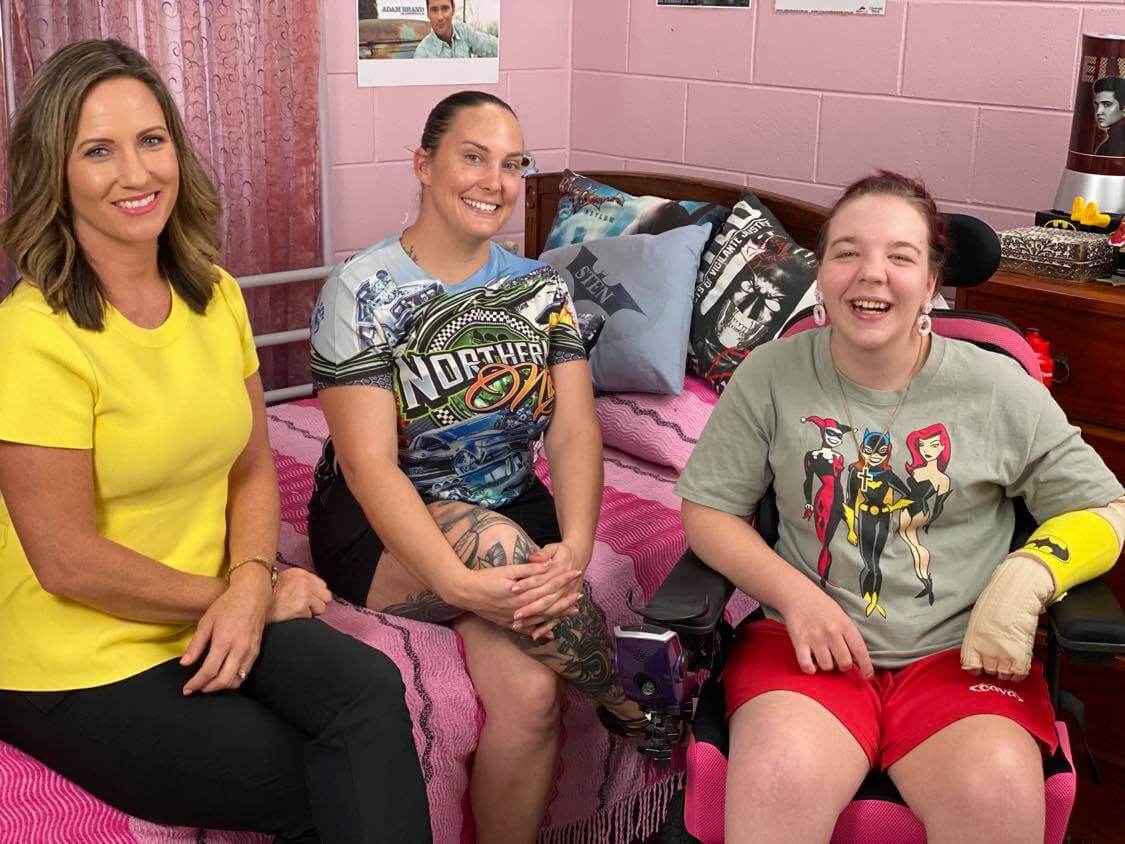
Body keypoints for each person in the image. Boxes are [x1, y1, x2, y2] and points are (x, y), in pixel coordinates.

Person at [0, 39, 430, 843]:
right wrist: (249, 598)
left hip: (213, 603)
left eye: (151, 139)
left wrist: (249, 578)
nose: (135, 174)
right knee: (315, 775)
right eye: (97, 151)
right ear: (54, 173)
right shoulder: (32, 337)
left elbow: (252, 470)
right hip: (75, 653)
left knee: (368, 687)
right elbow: (63, 560)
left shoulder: (216, 293)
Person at [675, 170, 1125, 843]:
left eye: (900, 256)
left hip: (961, 658)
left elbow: (1104, 506)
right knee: (778, 778)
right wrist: (796, 598)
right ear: (821, 271)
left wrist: (1026, 579)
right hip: (806, 652)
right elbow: (708, 510)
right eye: (846, 252)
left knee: (996, 791)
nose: (870, 274)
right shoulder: (770, 373)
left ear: (932, 279)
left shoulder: (996, 387)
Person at [307, 90, 648, 844]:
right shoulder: (361, 291)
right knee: (496, 549)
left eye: (511, 164)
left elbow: (572, 430)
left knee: (529, 695)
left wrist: (581, 546)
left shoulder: (541, 287)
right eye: (472, 157)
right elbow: (368, 468)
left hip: (511, 504)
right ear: (423, 165)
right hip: (381, 526)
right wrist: (455, 581)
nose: (494, 181)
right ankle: (640, 705)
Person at [413, 0, 498, 59]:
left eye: (445, 8)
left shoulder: (464, 32)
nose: (440, 17)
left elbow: (495, 47)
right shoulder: (422, 53)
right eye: (434, 10)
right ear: (428, 14)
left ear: (453, 9)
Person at [1093, 76, 1125, 156]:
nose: (1098, 111)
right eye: (1097, 105)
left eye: (1107, 104)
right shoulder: (1114, 138)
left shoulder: (1119, 141)